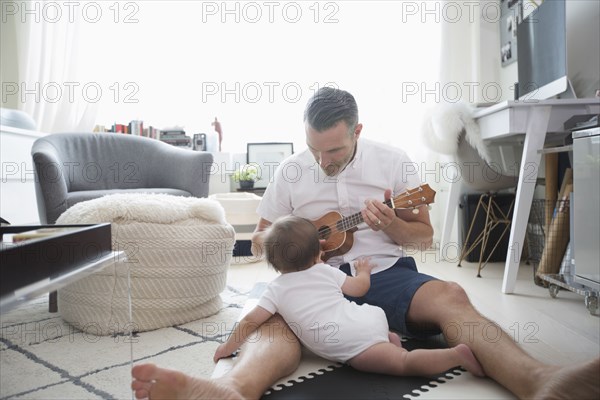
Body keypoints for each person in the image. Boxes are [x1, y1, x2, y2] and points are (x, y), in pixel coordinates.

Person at [132, 87, 599, 400]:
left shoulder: (394, 163)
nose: (322, 160)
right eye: (315, 148)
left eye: (333, 150)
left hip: (383, 274)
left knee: (452, 295)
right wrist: (297, 237)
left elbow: (425, 236)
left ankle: (541, 381)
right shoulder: (292, 169)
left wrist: (394, 226)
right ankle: (231, 390)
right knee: (269, 323)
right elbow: (258, 240)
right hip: (308, 279)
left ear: (358, 131)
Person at [213, 215, 485, 379]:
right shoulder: (325, 271)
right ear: (318, 253)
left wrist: (227, 348)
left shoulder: (275, 289)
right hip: (368, 318)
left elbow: (249, 322)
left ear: (273, 263)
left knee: (404, 365)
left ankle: (457, 355)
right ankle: (388, 339)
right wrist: (363, 271)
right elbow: (359, 290)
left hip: (354, 343)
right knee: (385, 342)